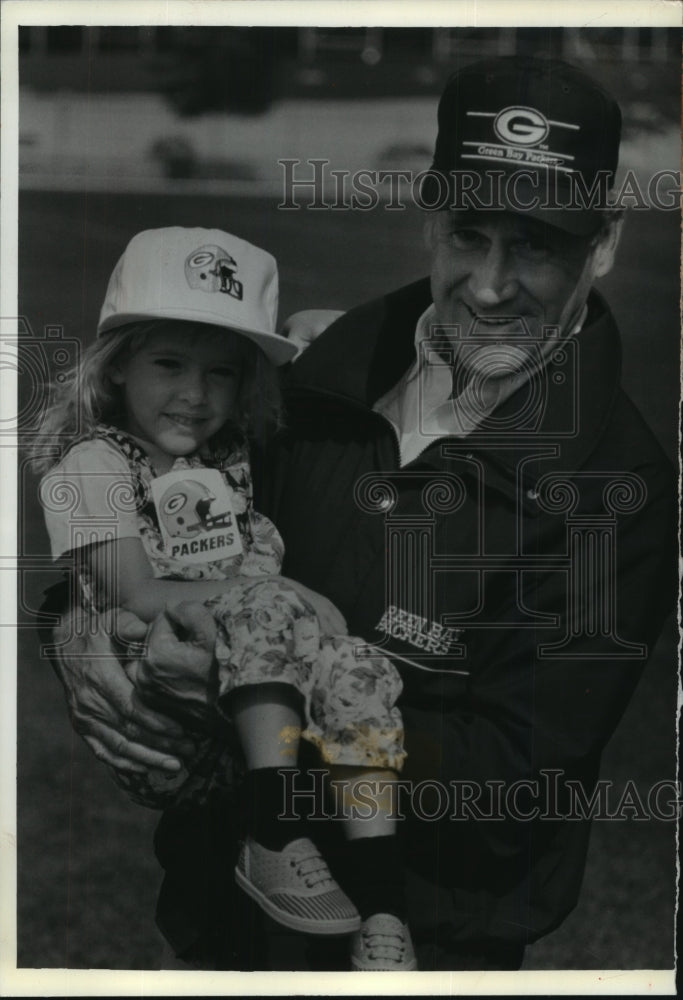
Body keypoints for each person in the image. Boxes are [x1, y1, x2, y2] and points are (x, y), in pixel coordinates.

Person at [45, 56, 676, 971]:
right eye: (468, 234)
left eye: (536, 244)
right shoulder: (320, 370)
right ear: (429, 217)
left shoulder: (619, 487)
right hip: (217, 911)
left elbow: (516, 779)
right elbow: (153, 529)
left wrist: (256, 709)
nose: (491, 286)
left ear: (604, 242)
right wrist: (72, 633)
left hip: (423, 941)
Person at [34, 226, 416, 970]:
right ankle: (272, 835)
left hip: (248, 662)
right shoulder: (91, 465)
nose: (194, 395)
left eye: (222, 373)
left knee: (357, 669)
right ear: (116, 370)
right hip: (158, 686)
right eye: (168, 364)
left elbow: (317, 342)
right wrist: (277, 589)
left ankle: (382, 903)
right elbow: (135, 591)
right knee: (271, 609)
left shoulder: (224, 453)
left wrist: (310, 326)